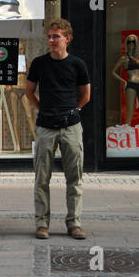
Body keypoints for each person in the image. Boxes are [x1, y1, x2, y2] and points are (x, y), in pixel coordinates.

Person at [26, 18, 91, 240]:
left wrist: (74, 111)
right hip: (45, 127)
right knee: (41, 178)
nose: (52, 40)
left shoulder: (77, 64)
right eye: (50, 36)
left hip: (71, 127)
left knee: (75, 178)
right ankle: (42, 224)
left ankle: (74, 223)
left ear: (67, 39)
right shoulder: (39, 63)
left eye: (56, 36)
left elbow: (86, 95)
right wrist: (41, 108)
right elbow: (29, 92)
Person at [112, 34, 139, 131]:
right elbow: (113, 71)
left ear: (136, 43)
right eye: (129, 42)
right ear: (126, 44)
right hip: (131, 85)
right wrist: (124, 81)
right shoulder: (124, 58)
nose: (131, 44)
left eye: (133, 42)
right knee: (130, 111)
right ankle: (126, 134)